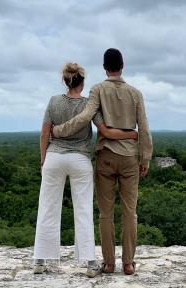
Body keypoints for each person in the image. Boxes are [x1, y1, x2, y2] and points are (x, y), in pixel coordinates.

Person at [52, 48, 153, 275]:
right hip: (129, 157)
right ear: (122, 67)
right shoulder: (135, 93)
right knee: (130, 212)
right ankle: (128, 263)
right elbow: (144, 128)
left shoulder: (97, 89)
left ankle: (108, 263)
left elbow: (85, 117)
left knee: (106, 213)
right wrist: (145, 158)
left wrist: (59, 130)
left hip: (106, 155)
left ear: (105, 68)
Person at [33, 62, 138, 278]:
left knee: (47, 208)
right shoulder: (88, 105)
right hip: (80, 159)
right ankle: (90, 263)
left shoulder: (53, 101)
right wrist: (131, 134)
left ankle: (39, 261)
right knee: (83, 210)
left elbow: (44, 133)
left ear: (66, 81)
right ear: (82, 83)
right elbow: (105, 131)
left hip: (54, 157)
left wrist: (43, 160)